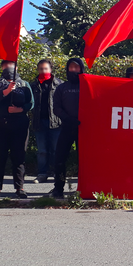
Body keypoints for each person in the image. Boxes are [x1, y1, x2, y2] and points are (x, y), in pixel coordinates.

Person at [0, 60, 34, 199]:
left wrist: (20, 109)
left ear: (16, 67)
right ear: (2, 67)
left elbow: (31, 103)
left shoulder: (24, 84)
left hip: (19, 124)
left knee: (18, 156)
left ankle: (20, 187)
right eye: (6, 65)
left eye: (11, 65)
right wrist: (6, 91)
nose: (9, 68)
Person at [51, 58, 86, 199]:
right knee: (59, 158)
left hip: (84, 128)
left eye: (76, 67)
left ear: (81, 69)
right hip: (66, 126)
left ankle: (84, 188)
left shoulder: (88, 85)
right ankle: (58, 188)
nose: (73, 70)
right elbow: (56, 107)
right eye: (71, 67)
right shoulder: (62, 88)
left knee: (84, 160)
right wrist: (66, 118)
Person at [30, 59, 63, 183]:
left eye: (46, 69)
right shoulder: (33, 85)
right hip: (39, 121)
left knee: (56, 150)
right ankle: (42, 174)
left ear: (51, 69)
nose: (43, 71)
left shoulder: (59, 84)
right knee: (42, 151)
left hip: (55, 122)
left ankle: (56, 173)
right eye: (41, 69)